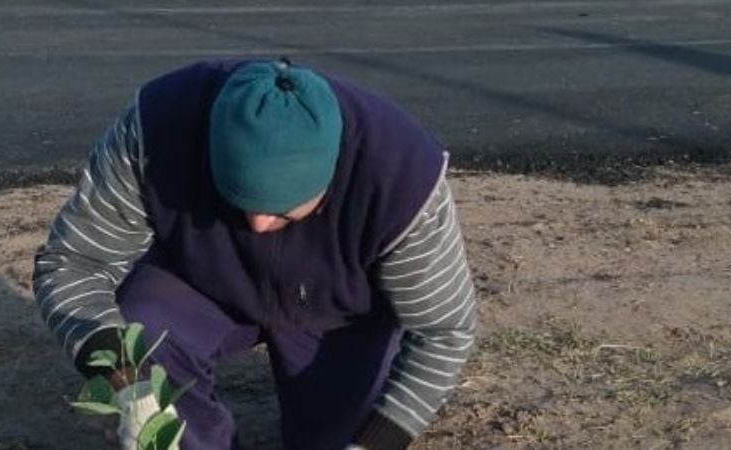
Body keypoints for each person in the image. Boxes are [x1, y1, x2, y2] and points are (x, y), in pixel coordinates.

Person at [33, 58, 476, 450]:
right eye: (239, 201)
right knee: (145, 331)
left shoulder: (400, 177)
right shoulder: (159, 128)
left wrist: (377, 444)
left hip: (341, 316)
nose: (259, 225)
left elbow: (445, 333)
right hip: (202, 284)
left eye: (283, 211)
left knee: (341, 435)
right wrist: (125, 381)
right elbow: (73, 262)